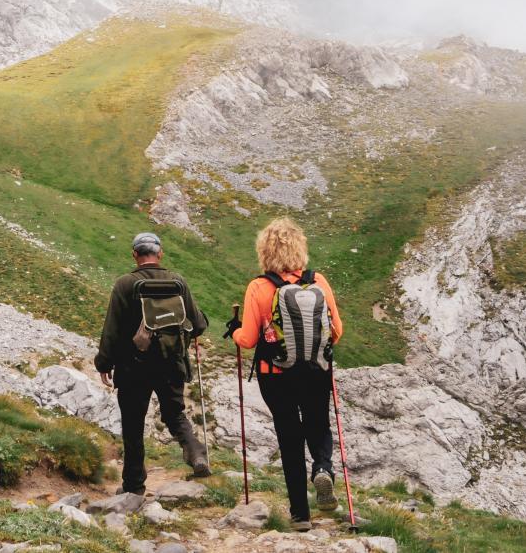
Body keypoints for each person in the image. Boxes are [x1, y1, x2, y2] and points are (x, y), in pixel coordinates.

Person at [225, 217, 343, 531]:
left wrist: (236, 331)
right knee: (318, 424)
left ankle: (300, 515)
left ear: (264, 251)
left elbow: (248, 339)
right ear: (300, 248)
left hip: (275, 374)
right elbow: (337, 331)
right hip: (316, 369)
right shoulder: (318, 281)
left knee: (289, 437)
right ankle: (322, 468)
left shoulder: (259, 287)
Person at [95, 232, 210, 495]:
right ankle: (196, 453)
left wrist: (104, 363)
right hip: (171, 364)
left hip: (132, 367)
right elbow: (199, 324)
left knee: (133, 424)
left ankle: (134, 486)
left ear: (135, 255)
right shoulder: (178, 282)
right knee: (174, 414)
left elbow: (111, 328)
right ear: (160, 253)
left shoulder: (125, 284)